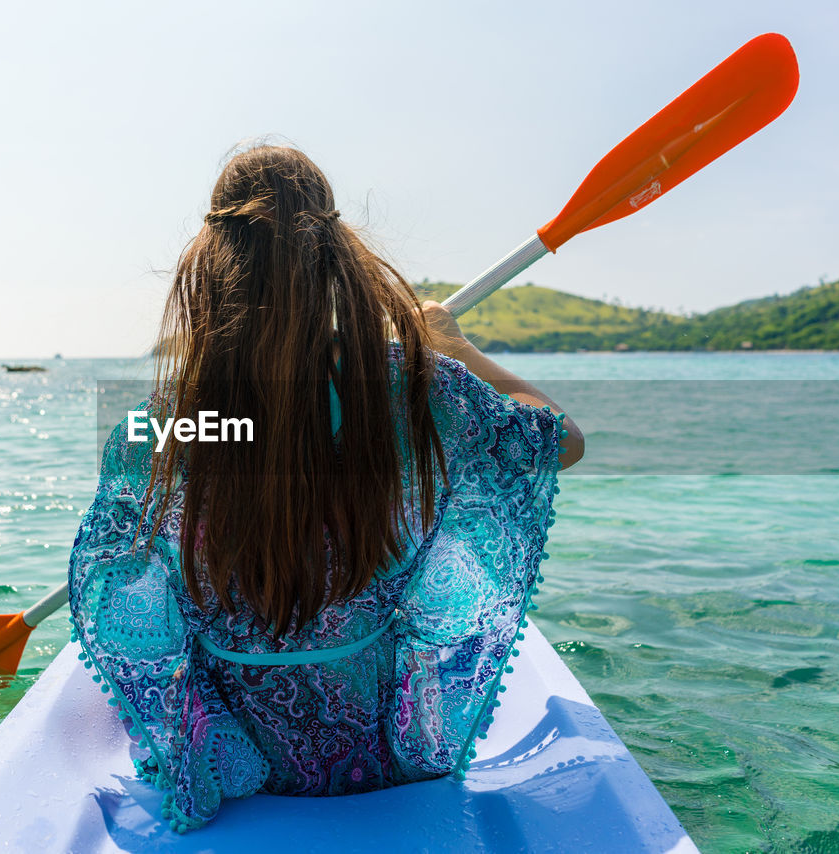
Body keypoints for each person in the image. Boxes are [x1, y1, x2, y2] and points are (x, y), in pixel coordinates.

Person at [67, 144, 584, 833]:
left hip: (238, 757)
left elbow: (125, 597)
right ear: (336, 257)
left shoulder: (166, 426)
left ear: (212, 268)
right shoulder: (410, 387)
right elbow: (562, 439)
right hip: (378, 752)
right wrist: (456, 351)